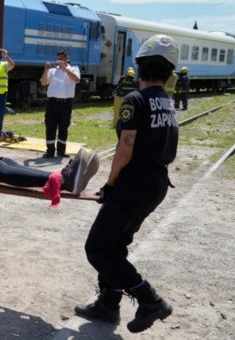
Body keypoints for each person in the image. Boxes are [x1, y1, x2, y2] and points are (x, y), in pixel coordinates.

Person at [75, 34, 178, 333]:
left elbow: (125, 149)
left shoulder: (135, 100)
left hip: (135, 182)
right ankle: (108, 306)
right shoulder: (167, 102)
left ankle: (150, 299)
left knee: (97, 248)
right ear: (170, 72)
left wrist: (109, 185)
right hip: (156, 183)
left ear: (140, 66)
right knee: (115, 244)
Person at [40, 49, 80, 158]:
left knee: (63, 127)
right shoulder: (53, 71)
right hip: (52, 102)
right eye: (58, 59)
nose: (59, 61)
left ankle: (61, 151)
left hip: (66, 103)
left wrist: (65, 69)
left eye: (61, 59)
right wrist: (45, 70)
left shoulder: (74, 69)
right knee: (50, 127)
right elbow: (43, 83)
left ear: (67, 58)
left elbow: (76, 79)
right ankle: (50, 151)